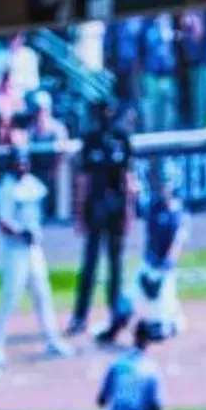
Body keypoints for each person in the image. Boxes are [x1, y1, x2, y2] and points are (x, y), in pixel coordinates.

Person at [0, 142, 71, 371]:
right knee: (10, 298)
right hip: (14, 252)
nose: (22, 165)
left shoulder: (34, 185)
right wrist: (22, 232)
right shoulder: (6, 188)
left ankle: (52, 340)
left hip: (33, 250)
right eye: (18, 162)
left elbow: (42, 210)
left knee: (43, 294)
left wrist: (34, 231)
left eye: (24, 161)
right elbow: (3, 223)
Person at [69, 103, 137, 341]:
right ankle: (80, 316)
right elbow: (83, 180)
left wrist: (129, 211)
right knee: (90, 264)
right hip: (95, 207)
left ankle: (115, 315)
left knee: (116, 266)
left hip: (116, 207)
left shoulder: (122, 139)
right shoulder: (90, 139)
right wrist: (79, 214)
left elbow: (128, 178)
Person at [136, 161, 190, 338]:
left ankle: (173, 320)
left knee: (159, 329)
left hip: (165, 272)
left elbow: (178, 243)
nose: (162, 187)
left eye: (165, 183)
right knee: (123, 309)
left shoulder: (179, 213)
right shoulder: (152, 206)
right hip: (147, 266)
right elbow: (137, 198)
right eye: (160, 183)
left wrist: (165, 267)